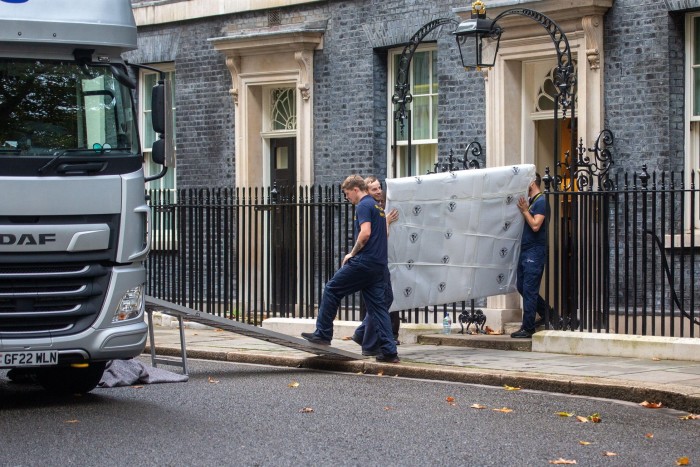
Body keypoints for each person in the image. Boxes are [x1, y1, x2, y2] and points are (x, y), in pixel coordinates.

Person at [301, 175, 399, 363]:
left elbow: (365, 233)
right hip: (378, 266)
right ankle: (389, 351)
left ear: (355, 189)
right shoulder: (378, 208)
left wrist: (352, 254)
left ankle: (322, 334)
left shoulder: (363, 205)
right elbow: (382, 236)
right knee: (378, 309)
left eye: (347, 194)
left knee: (331, 289)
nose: (347, 199)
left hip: (364, 262)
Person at [350, 176, 399, 355]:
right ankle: (370, 345)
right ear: (365, 192)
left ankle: (362, 334)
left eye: (379, 188)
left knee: (383, 301)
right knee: (379, 303)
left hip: (379, 262)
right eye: (374, 189)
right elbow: (372, 236)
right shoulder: (369, 207)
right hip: (373, 263)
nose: (378, 191)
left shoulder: (377, 208)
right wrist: (385, 222)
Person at [511, 172, 557, 338]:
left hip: (535, 251)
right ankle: (548, 313)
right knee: (522, 286)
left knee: (529, 288)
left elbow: (536, 225)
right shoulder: (532, 203)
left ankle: (528, 327)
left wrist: (524, 211)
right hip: (526, 250)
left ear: (531, 183)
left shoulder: (541, 201)